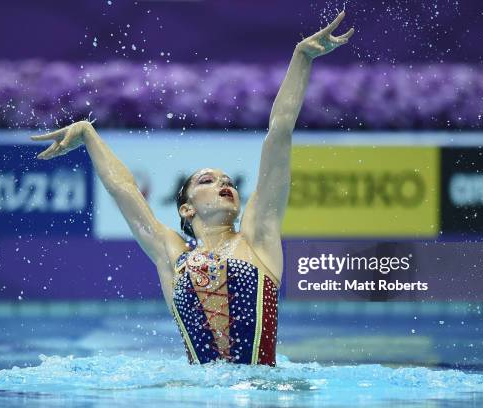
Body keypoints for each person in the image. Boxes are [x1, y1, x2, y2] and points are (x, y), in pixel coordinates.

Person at [31, 11, 354, 366]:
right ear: (186, 209)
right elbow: (124, 189)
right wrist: (89, 135)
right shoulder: (172, 256)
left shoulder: (257, 237)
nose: (224, 184)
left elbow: (278, 132)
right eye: (208, 180)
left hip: (264, 394)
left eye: (228, 181)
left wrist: (302, 58)